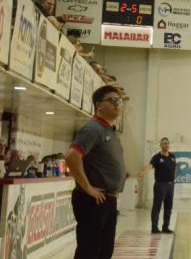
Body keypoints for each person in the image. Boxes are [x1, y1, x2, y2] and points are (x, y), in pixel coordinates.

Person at [64, 85, 126, 259]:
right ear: (99, 105)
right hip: (93, 200)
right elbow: (71, 156)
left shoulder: (110, 131)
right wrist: (88, 188)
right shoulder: (93, 128)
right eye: (112, 100)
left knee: (104, 251)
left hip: (108, 200)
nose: (118, 104)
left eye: (119, 101)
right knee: (90, 250)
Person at [137, 138, 177, 234]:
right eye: (164, 144)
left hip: (170, 186)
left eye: (167, 143)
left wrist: (174, 177)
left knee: (168, 207)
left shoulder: (172, 156)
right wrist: (143, 172)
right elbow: (150, 166)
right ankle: (154, 228)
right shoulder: (157, 157)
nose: (166, 145)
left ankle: (165, 227)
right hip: (160, 185)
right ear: (160, 145)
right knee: (157, 206)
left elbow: (174, 168)